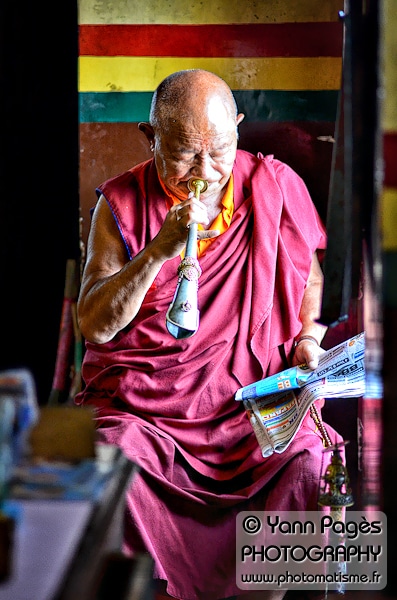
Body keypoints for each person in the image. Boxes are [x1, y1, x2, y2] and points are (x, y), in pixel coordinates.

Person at [75, 69, 343, 600]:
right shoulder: (123, 203)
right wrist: (158, 252)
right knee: (111, 455)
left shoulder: (274, 186)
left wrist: (308, 340)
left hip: (250, 411)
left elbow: (308, 274)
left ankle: (268, 595)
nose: (205, 171)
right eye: (183, 154)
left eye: (218, 150)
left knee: (312, 460)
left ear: (239, 130)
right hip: (149, 416)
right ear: (150, 139)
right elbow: (95, 323)